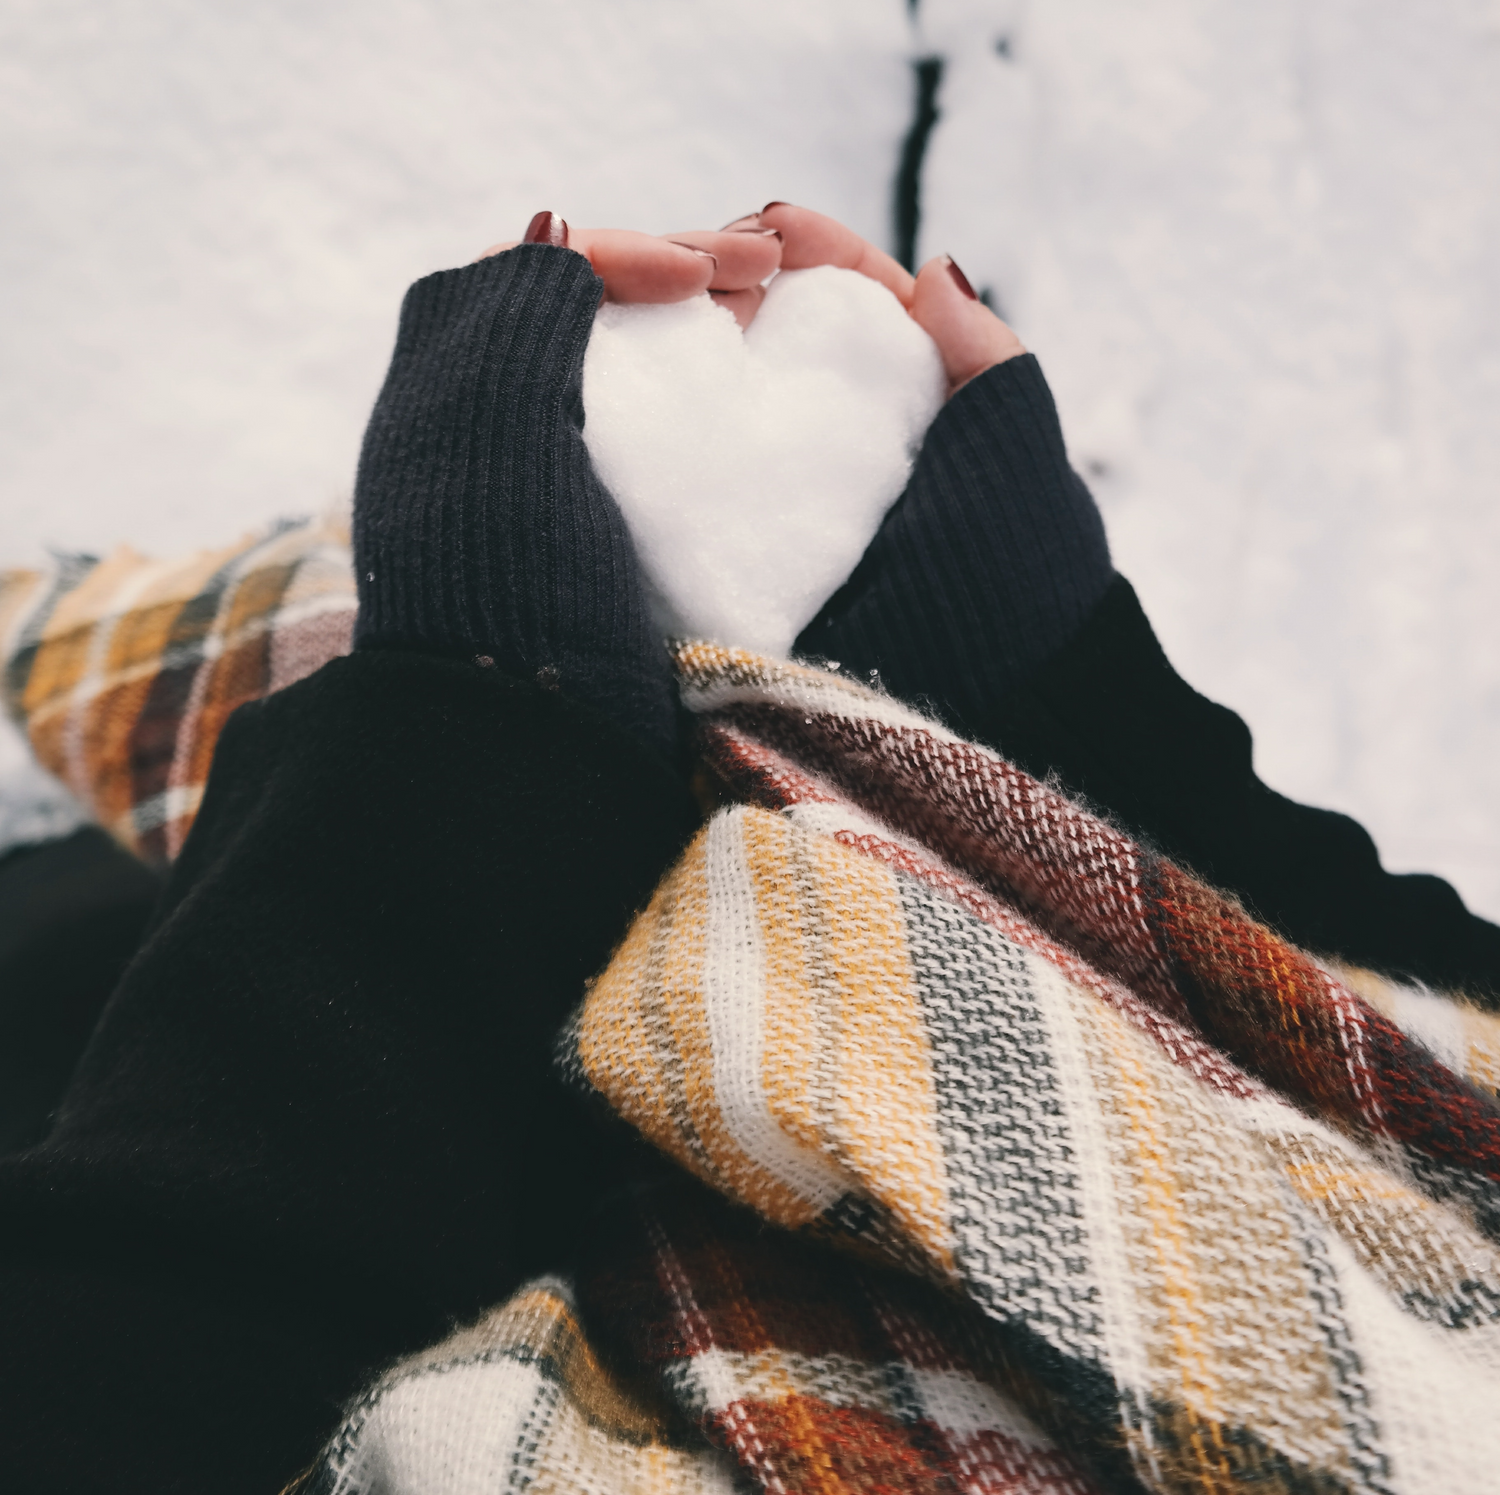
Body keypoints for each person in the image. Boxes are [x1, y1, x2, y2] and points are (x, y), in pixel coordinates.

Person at [0, 202, 1494, 1494]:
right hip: (418, 1065)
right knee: (138, 900)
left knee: (106, 944)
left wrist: (450, 764)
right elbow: (1452, 1059)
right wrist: (1074, 729)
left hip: (275, 1162)